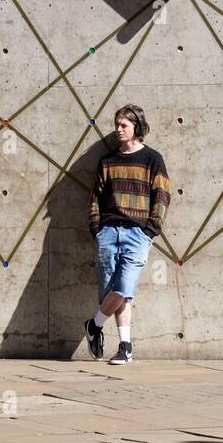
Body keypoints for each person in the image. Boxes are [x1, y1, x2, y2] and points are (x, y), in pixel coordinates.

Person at [82, 104, 171, 365]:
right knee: (115, 291)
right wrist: (97, 228)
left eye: (124, 126)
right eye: (117, 125)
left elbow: (162, 195)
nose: (118, 130)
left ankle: (94, 325)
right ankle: (125, 347)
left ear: (138, 129)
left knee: (123, 286)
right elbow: (96, 197)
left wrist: (151, 229)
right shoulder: (107, 161)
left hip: (138, 233)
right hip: (108, 232)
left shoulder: (153, 159)